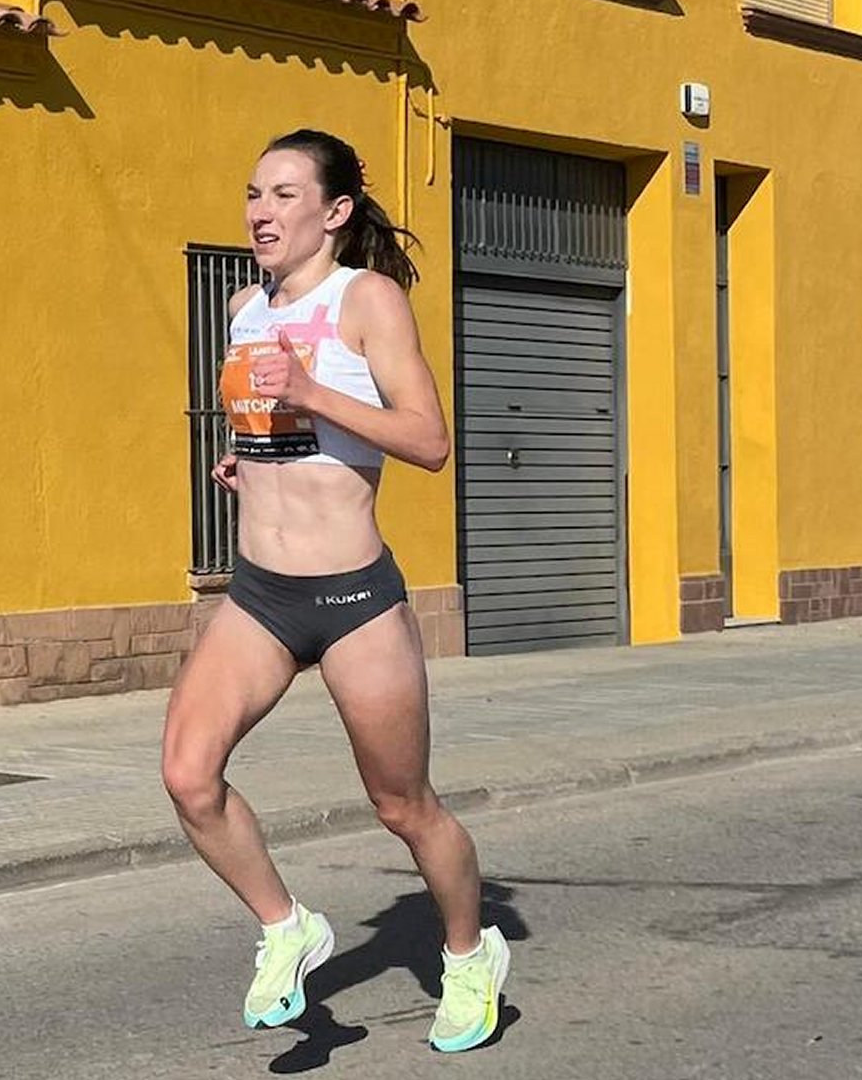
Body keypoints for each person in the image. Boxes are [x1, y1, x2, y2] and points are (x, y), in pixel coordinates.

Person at [160, 129, 509, 1053]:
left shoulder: (370, 299)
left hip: (355, 596)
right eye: (252, 193)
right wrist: (247, 459)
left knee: (404, 806)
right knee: (189, 777)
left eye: (282, 195)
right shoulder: (243, 308)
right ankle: (287, 927)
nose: (260, 212)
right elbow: (284, 435)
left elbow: (428, 440)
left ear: (334, 212)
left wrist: (311, 391)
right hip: (261, 594)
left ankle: (471, 955)